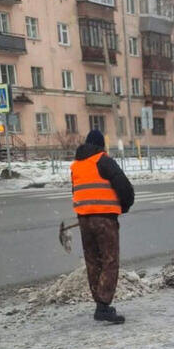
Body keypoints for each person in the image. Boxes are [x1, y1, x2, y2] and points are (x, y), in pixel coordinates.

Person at [71, 129, 134, 324]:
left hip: (84, 219)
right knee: (109, 260)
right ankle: (104, 306)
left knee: (93, 261)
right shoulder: (103, 160)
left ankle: (99, 302)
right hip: (104, 218)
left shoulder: (76, 165)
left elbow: (78, 191)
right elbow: (124, 187)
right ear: (101, 146)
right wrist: (124, 206)